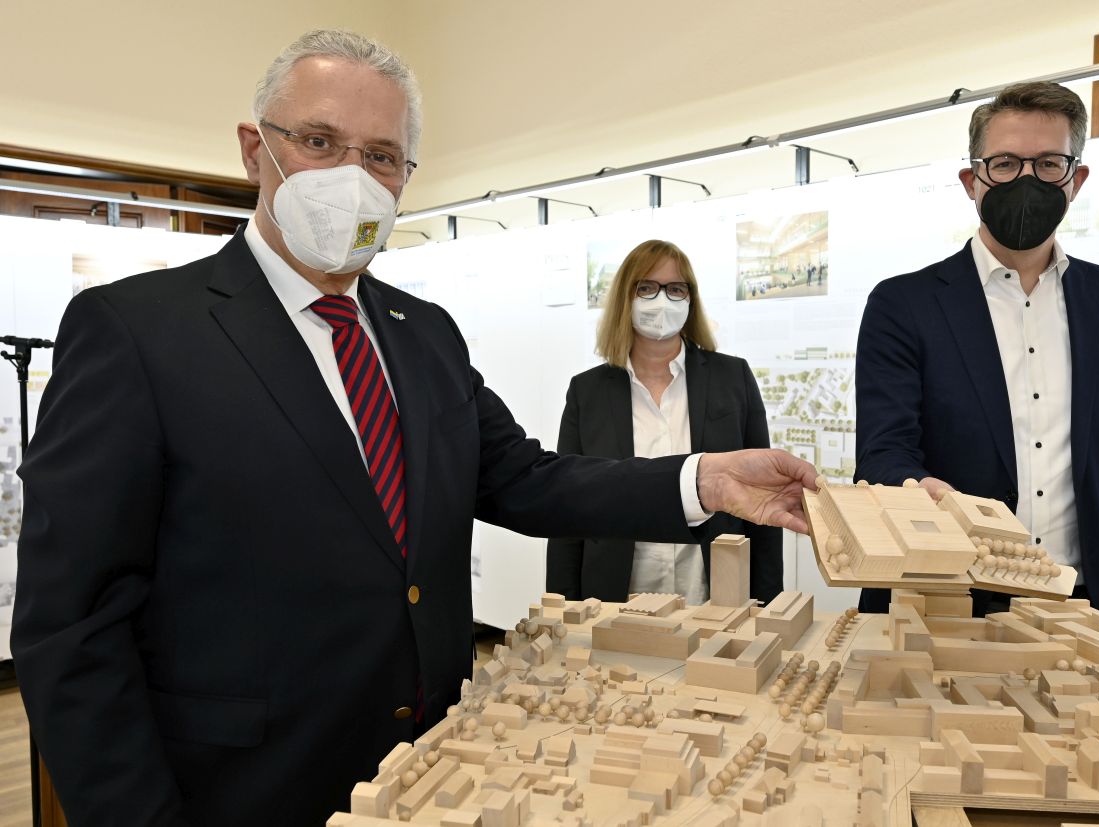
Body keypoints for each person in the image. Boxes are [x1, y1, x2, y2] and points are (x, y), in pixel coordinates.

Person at [12, 30, 818, 827]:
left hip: (429, 773)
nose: (353, 178)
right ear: (256, 150)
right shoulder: (138, 331)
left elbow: (523, 476)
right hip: (242, 786)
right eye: (321, 141)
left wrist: (700, 478)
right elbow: (73, 623)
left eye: (381, 156)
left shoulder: (422, 332)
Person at [854, 81, 1099, 620]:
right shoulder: (903, 304)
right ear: (972, 181)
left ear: (1076, 179)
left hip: (1083, 604)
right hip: (943, 598)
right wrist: (917, 488)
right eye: (1004, 164)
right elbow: (883, 451)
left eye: (1048, 164)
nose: (1026, 180)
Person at [546, 240, 782, 605]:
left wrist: (770, 603)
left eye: (675, 289)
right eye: (646, 288)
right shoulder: (587, 392)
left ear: (690, 299)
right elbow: (566, 506)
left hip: (712, 591)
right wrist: (561, 608)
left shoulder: (732, 378)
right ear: (627, 297)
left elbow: (762, 493)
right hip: (613, 595)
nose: (662, 300)